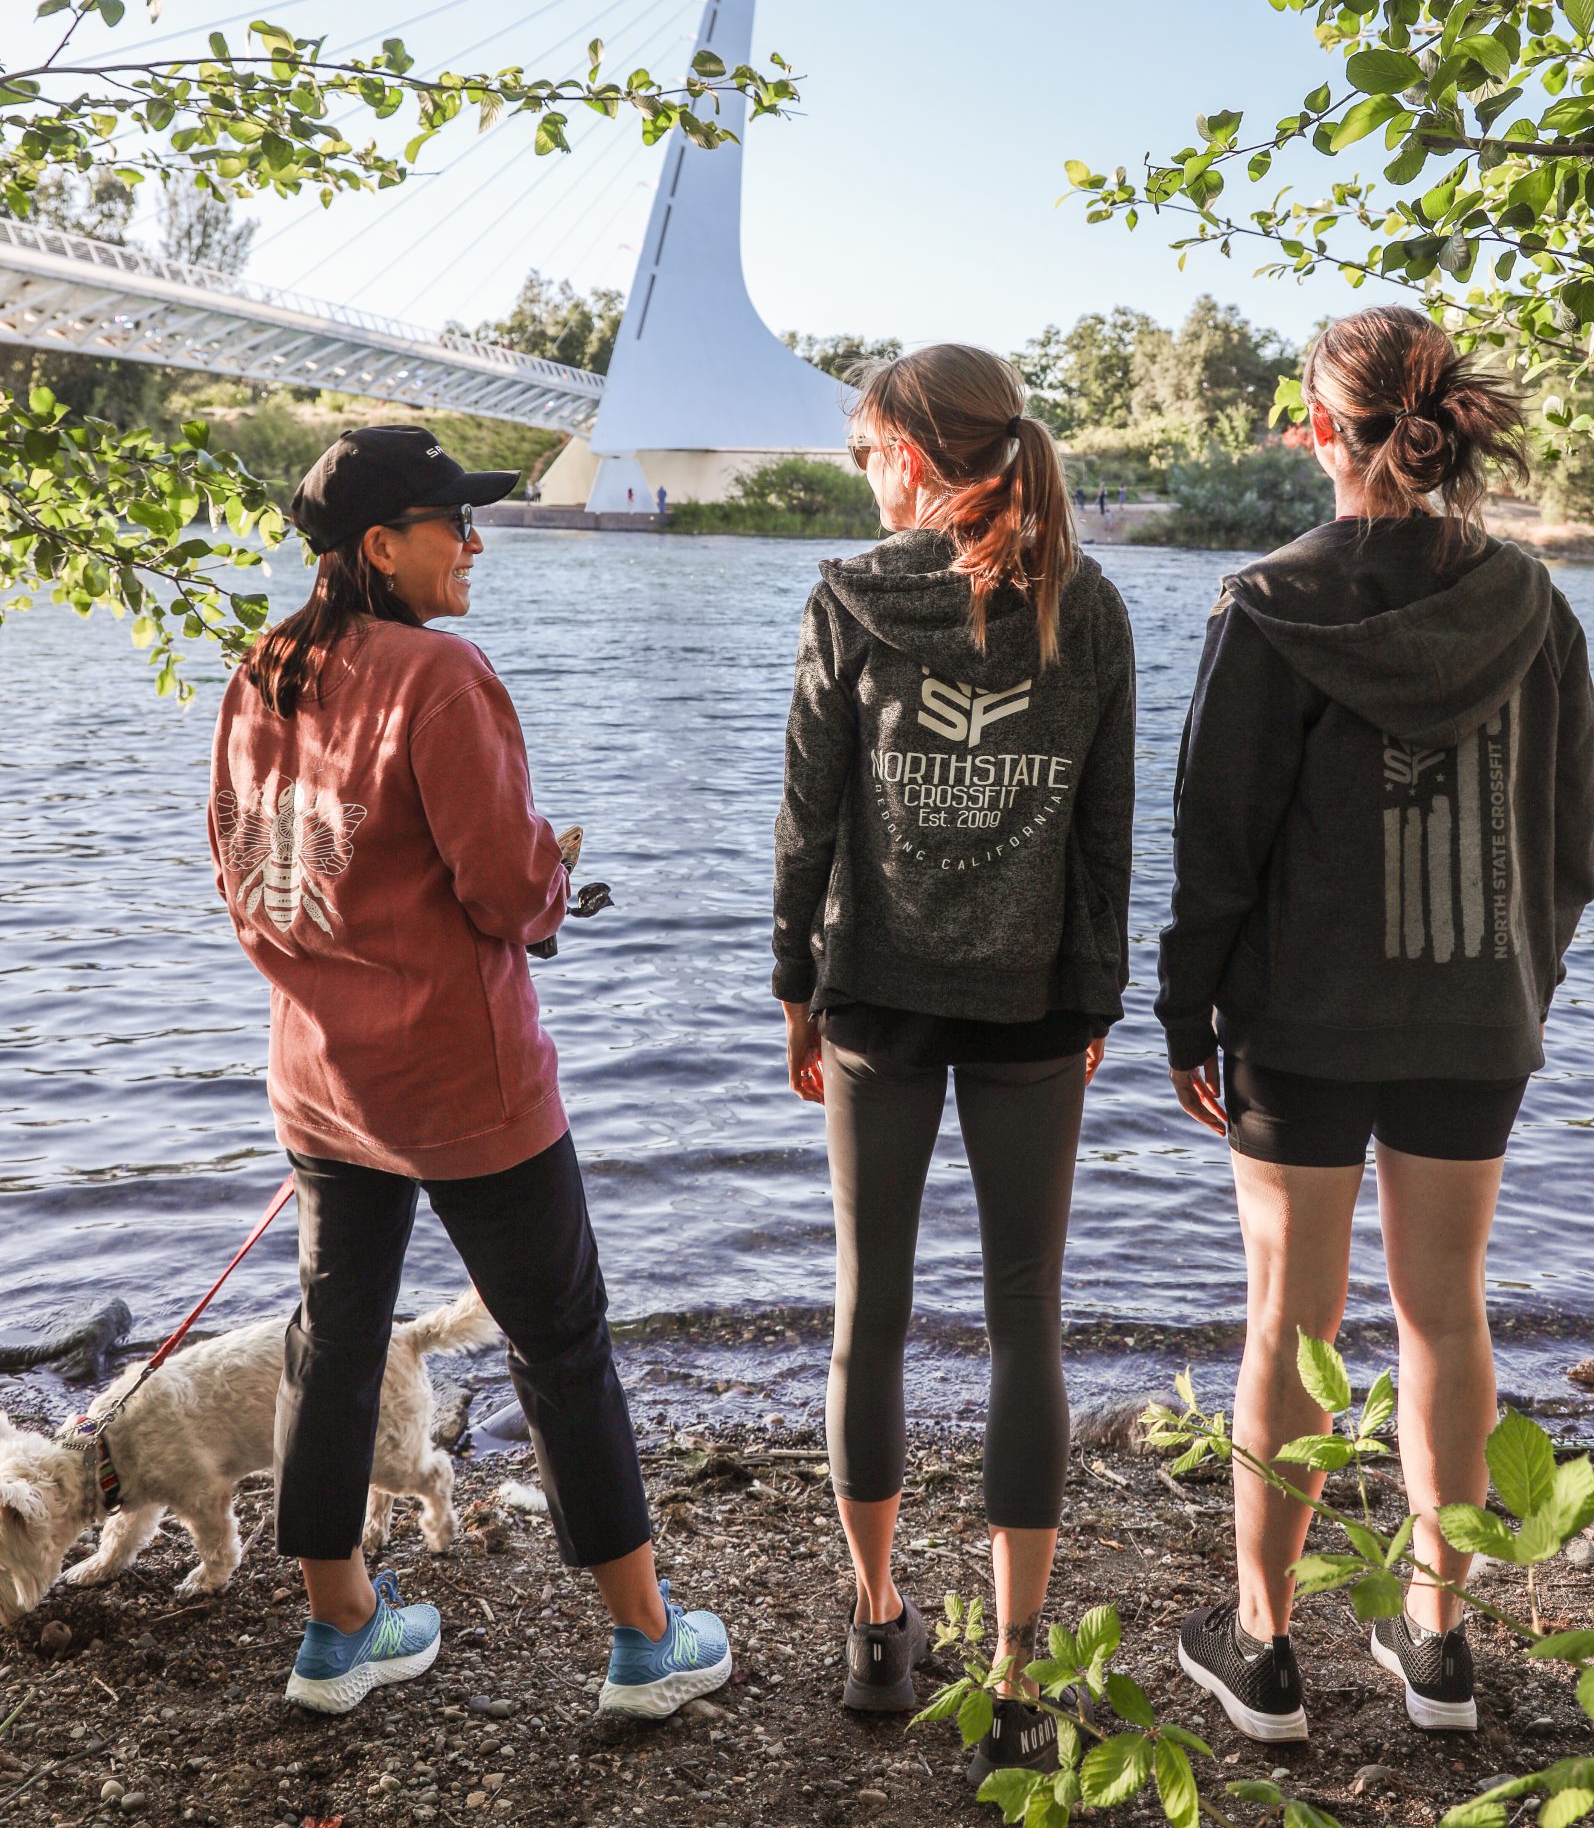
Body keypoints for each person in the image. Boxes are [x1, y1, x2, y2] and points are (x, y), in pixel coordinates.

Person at [209, 425, 728, 1719]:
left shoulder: (261, 671)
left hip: (324, 1082)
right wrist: (556, 879)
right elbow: (504, 888)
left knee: (333, 1340)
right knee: (563, 1347)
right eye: (456, 521)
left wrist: (333, 978)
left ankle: (339, 1632)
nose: (478, 541)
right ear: (383, 546)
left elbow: (242, 872)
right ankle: (645, 1644)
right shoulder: (442, 679)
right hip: (469, 1092)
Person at [1158, 308, 1594, 1744]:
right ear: (1447, 421)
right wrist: (1516, 975)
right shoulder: (1534, 602)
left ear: (1315, 427)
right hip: (1478, 1008)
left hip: (1302, 1015)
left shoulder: (1269, 603)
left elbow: (1217, 843)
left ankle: (1265, 1645)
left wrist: (1185, 1006)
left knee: (1289, 1315)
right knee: (1442, 1308)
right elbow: (1571, 842)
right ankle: (1439, 1642)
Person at [772, 346, 1136, 1783]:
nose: (863, 476)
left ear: (916, 460)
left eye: (869, 452)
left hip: (876, 999)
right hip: (1037, 1007)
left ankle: (877, 1629)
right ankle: (1015, 1662)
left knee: (870, 1305)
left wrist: (794, 984)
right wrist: (1097, 996)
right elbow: (1106, 830)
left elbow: (810, 816)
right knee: (1024, 1318)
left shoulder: (852, 597)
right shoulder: (1084, 604)